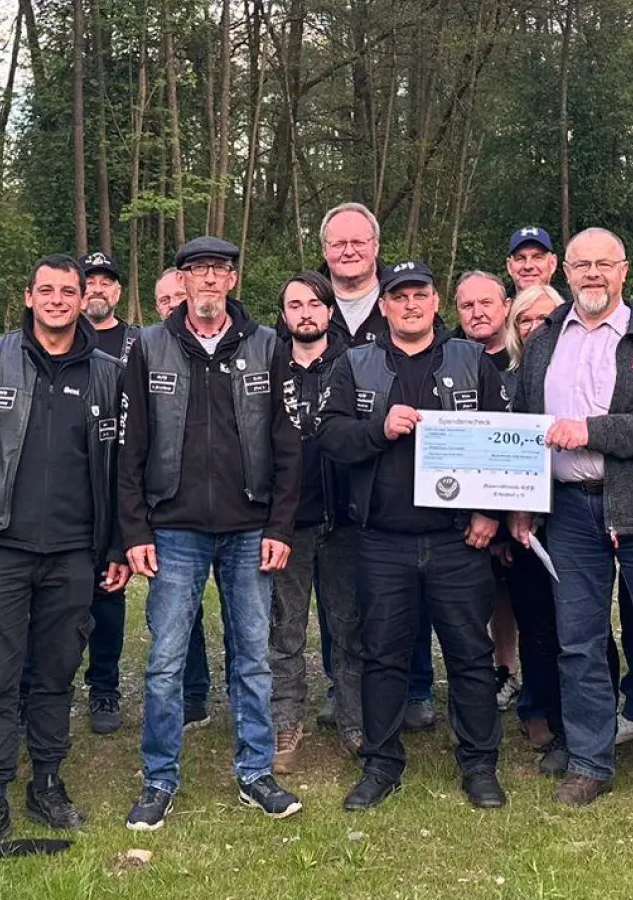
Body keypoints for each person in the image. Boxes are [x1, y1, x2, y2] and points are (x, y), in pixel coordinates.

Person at [0, 254, 130, 851]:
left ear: (82, 298)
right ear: (29, 295)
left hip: (73, 554)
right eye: (47, 289)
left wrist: (116, 544)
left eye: (68, 290)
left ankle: (46, 779)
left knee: (55, 670)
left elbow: (122, 471)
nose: (58, 299)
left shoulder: (107, 373)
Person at [506, 227, 633, 822]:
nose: (593, 274)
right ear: (564, 272)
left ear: (625, 272)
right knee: (579, 641)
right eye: (581, 265)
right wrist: (520, 499)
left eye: (604, 265)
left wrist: (594, 429)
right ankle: (591, 761)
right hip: (567, 510)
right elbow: (521, 425)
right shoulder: (543, 343)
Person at [120, 236, 304, 831]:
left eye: (217, 270)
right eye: (195, 271)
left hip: (250, 527)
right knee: (165, 662)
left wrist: (279, 524)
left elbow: (285, 442)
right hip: (174, 529)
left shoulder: (267, 345)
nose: (206, 280)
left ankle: (256, 773)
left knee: (252, 658)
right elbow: (131, 448)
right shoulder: (149, 347)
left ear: (231, 280)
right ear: (182, 281)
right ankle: (158, 779)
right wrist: (135, 528)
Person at [317, 260, 510, 811]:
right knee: (382, 655)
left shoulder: (471, 360)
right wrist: (379, 429)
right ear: (383, 305)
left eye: (419, 295)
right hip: (381, 540)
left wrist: (490, 513)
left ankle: (479, 764)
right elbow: (329, 436)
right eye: (398, 297)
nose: (409, 305)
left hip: (457, 540)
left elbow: (507, 439)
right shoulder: (356, 364)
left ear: (435, 301)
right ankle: (381, 763)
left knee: (471, 655)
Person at [266, 272, 364, 770]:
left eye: (314, 304)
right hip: (288, 521)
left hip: (345, 517)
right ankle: (285, 720)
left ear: (329, 311)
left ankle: (354, 719)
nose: (305, 313)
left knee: (348, 627)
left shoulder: (354, 364)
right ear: (283, 315)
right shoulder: (268, 365)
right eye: (295, 305)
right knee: (284, 629)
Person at [500, 285, 567, 774]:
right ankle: (537, 707)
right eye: (525, 320)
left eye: (546, 319)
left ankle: (584, 715)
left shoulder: (573, 375)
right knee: (535, 624)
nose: (536, 328)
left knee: (580, 625)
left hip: (571, 513)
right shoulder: (503, 380)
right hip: (519, 522)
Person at [152, 266, 219, 728]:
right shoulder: (149, 351)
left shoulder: (241, 346)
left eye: (182, 295)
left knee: (247, 625)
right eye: (165, 299)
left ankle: (232, 701)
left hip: (236, 513)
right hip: (174, 511)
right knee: (176, 622)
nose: (175, 304)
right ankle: (189, 696)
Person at [452, 271, 523, 711]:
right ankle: (491, 675)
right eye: (467, 306)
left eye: (487, 303)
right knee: (475, 599)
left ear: (505, 307)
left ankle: (523, 680)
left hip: (516, 507)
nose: (478, 313)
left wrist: (502, 511)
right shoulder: (449, 358)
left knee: (523, 598)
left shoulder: (526, 359)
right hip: (463, 508)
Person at [80, 252, 143, 735]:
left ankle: (104, 687)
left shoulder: (137, 343)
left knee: (107, 593)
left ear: (118, 292)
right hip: (64, 487)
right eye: (89, 281)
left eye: (106, 282)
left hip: (113, 481)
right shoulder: (58, 341)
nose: (97, 288)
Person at [320, 202, 389, 345]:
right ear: (324, 251)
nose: (349, 252)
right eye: (338, 244)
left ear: (375, 246)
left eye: (358, 243)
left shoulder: (402, 296)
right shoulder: (302, 300)